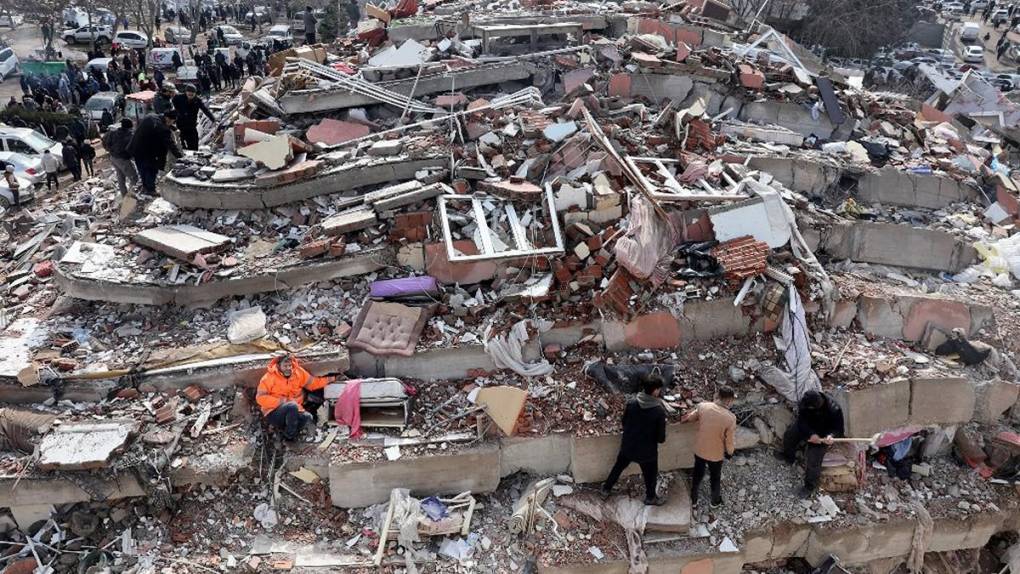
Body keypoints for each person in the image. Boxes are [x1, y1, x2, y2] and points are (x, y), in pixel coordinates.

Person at [600, 376, 668, 505]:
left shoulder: (632, 403)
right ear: (654, 391)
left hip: (628, 447)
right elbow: (661, 439)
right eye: (659, 389)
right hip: (647, 453)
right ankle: (650, 497)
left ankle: (606, 489)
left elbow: (624, 422)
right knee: (650, 475)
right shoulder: (658, 411)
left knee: (618, 467)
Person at [779, 390, 845, 498]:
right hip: (808, 428)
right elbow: (801, 421)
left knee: (814, 460)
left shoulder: (834, 409)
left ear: (818, 405)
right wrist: (811, 434)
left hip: (823, 435)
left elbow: (839, 429)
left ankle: (809, 486)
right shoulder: (805, 402)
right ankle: (788, 456)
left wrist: (831, 436)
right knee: (790, 435)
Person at [681, 386, 737, 507]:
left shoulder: (703, 406)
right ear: (728, 401)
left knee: (697, 474)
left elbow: (690, 418)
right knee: (715, 477)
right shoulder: (731, 418)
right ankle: (715, 501)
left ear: (718, 396)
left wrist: (684, 419)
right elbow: (729, 442)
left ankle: (694, 499)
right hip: (716, 455)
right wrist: (730, 453)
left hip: (700, 450)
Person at [256, 355, 331, 441]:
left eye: (290, 366)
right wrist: (281, 402)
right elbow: (260, 398)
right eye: (285, 366)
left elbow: (313, 383)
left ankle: (287, 435)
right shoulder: (268, 377)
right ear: (278, 366)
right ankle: (289, 436)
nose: (288, 368)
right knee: (291, 406)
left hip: (293, 411)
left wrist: (331, 379)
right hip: (273, 412)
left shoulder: (298, 373)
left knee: (308, 417)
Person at [129, 110, 182, 195]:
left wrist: (172, 127)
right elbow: (170, 144)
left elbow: (161, 124)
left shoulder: (151, 116)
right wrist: (180, 157)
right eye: (173, 121)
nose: (173, 123)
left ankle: (145, 187)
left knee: (142, 169)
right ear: (168, 119)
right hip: (147, 151)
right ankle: (150, 190)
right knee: (151, 170)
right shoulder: (162, 129)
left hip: (136, 149)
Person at [171, 84, 215, 150]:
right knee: (181, 145)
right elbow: (172, 105)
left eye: (192, 94)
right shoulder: (178, 98)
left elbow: (205, 110)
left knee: (194, 144)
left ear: (195, 94)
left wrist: (213, 119)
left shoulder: (197, 100)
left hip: (191, 125)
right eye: (189, 94)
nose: (190, 96)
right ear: (186, 92)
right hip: (180, 125)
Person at [102, 118, 139, 195]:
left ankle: (124, 194)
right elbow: (133, 150)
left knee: (121, 177)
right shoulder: (129, 136)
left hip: (113, 158)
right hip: (122, 159)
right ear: (129, 127)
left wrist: (110, 150)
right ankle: (131, 197)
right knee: (134, 178)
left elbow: (105, 142)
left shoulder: (113, 132)